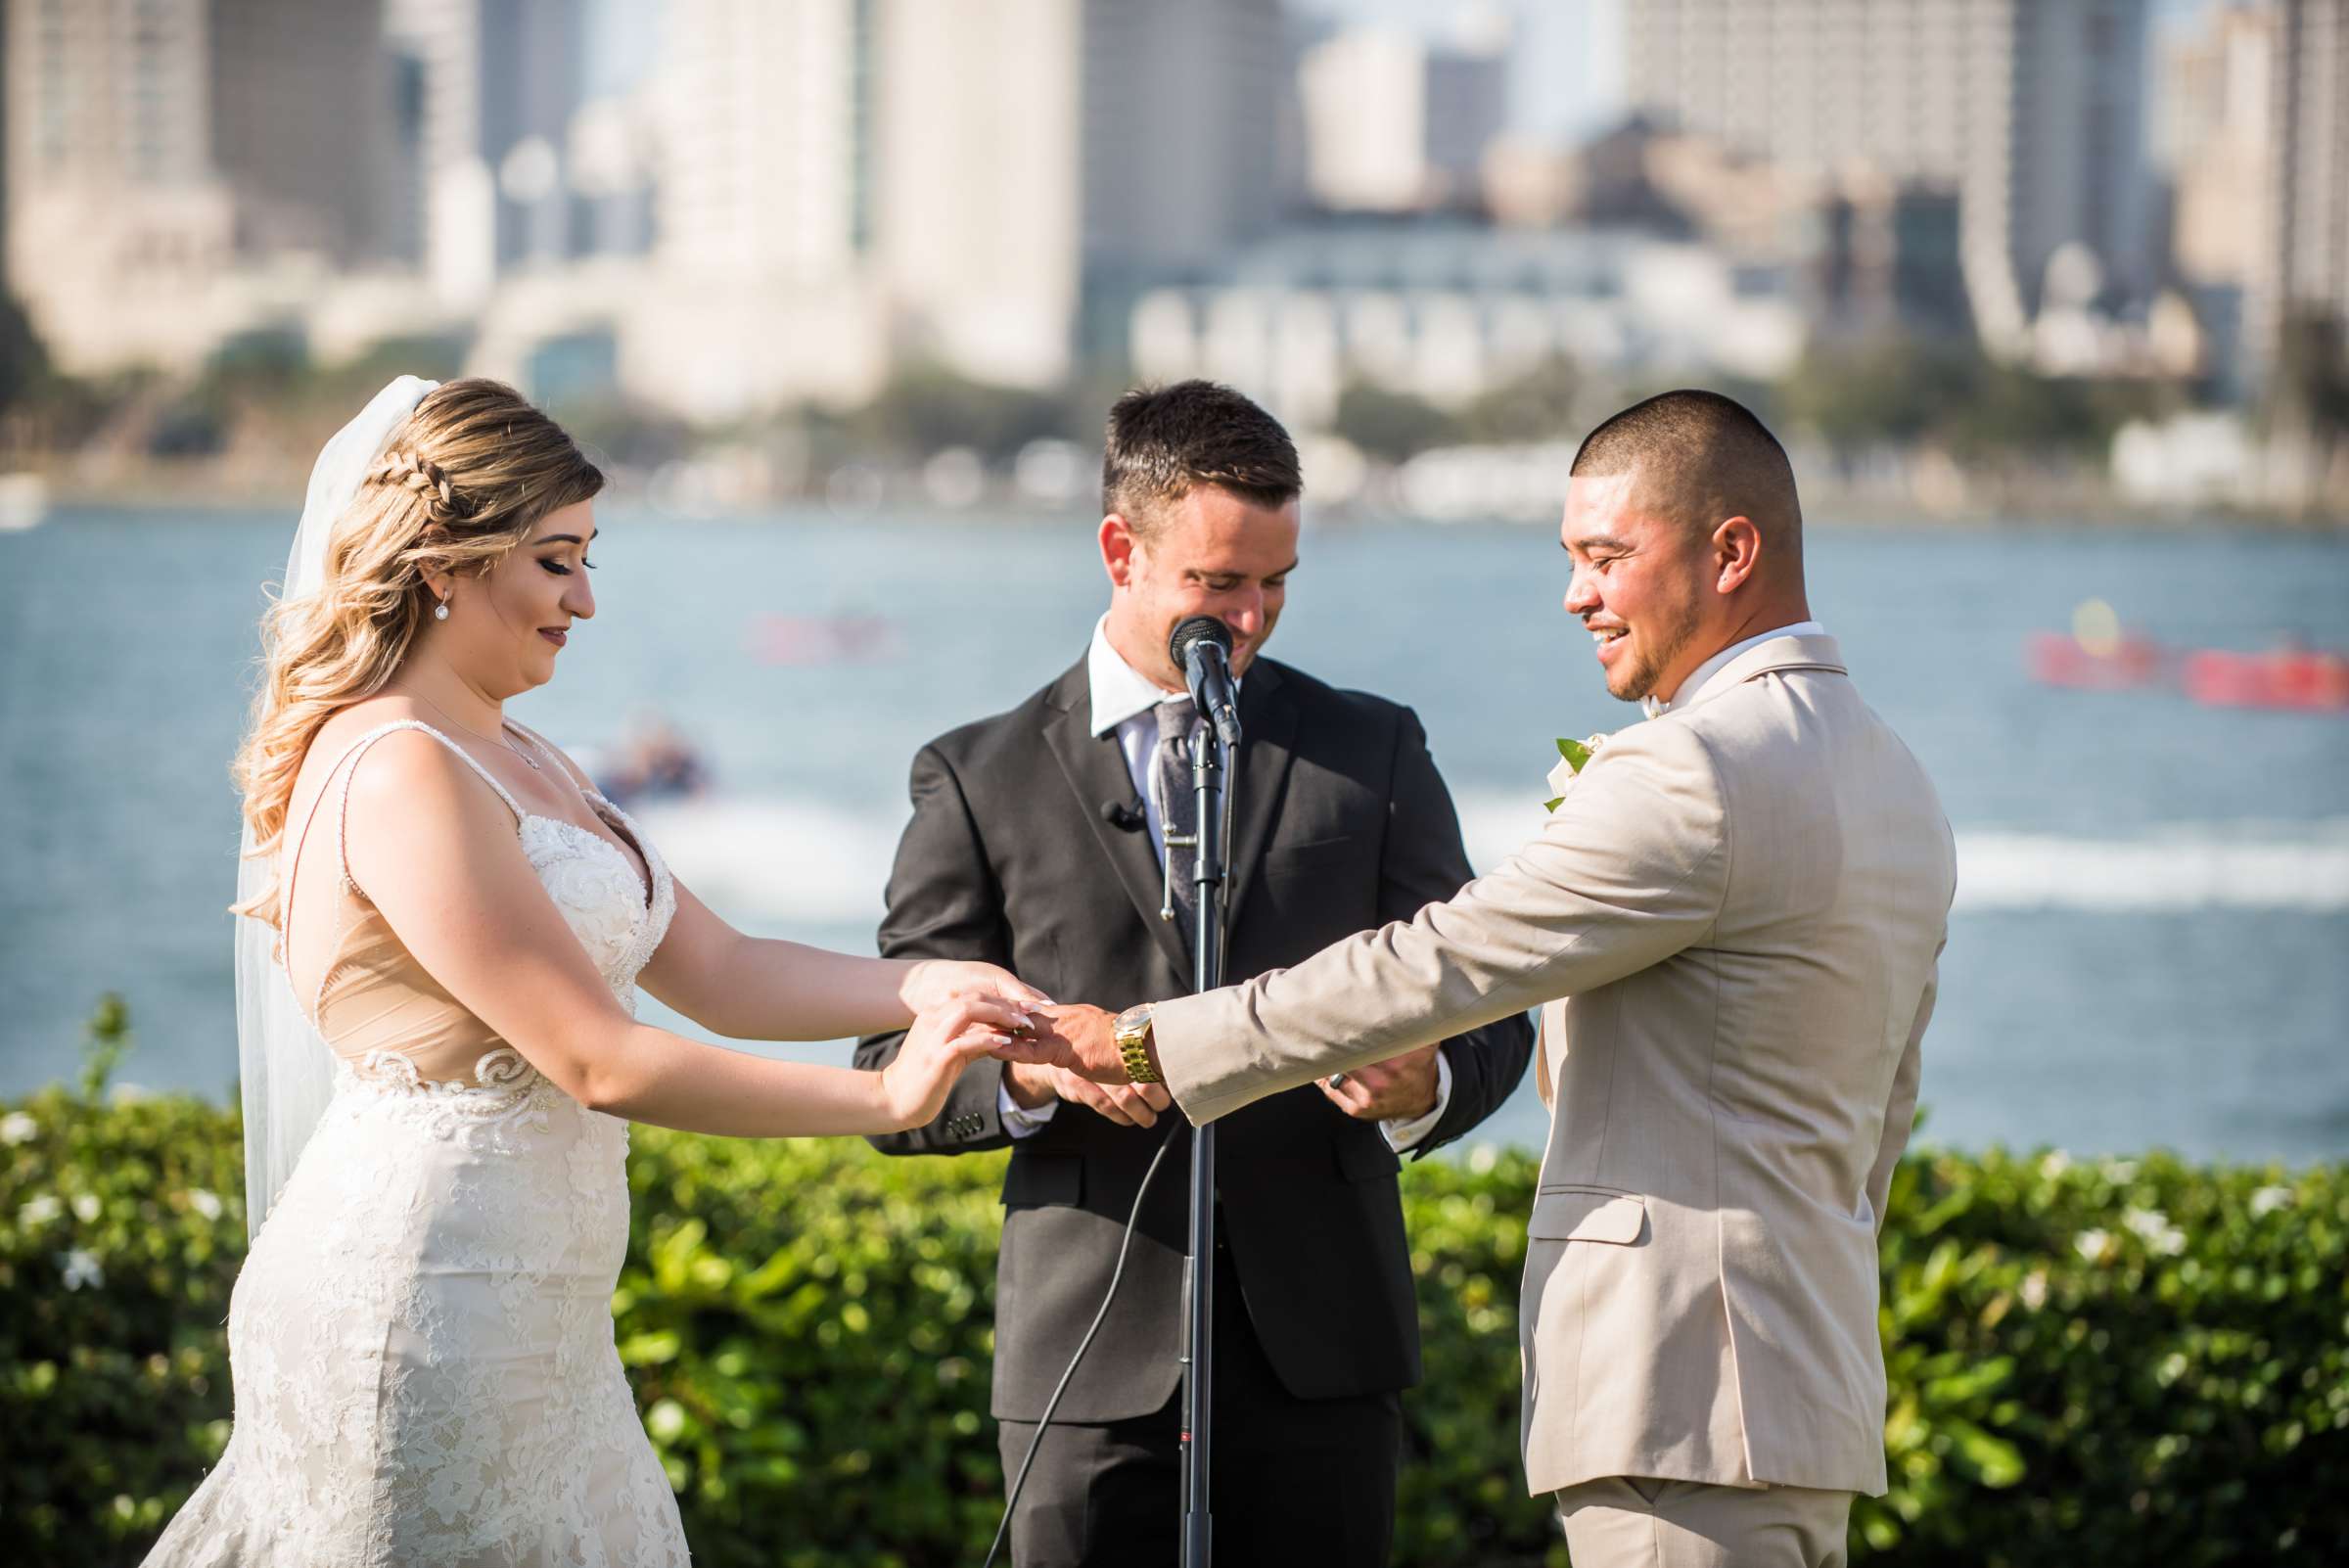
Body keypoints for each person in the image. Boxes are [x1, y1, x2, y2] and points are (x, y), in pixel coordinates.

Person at [1011, 390, 1958, 1568]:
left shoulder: (1696, 773)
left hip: (1682, 1398)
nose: (1578, 595)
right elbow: (1884, 1114)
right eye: (1573, 559)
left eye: (1608, 556)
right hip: (1805, 1388)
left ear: (1731, 552)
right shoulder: (1896, 778)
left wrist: (1153, 1044)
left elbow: (1436, 963)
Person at [147, 378, 1044, 1566]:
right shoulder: (403, 769)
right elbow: (595, 1057)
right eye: (556, 561)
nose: (584, 600)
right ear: (443, 564)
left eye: (589, 558)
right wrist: (884, 1096)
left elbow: (718, 966)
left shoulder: (524, 753)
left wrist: (935, 985)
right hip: (423, 1299)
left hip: (542, 1319)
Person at [854, 380, 1532, 1567]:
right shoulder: (976, 776)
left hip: (1323, 1354)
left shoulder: (1373, 748)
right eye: (1220, 586)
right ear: (1122, 550)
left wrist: (1426, 1085)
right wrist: (1043, 1080)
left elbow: (1492, 1013)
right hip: (1081, 1363)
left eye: (1277, 583)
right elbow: (885, 1069)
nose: (1255, 617)